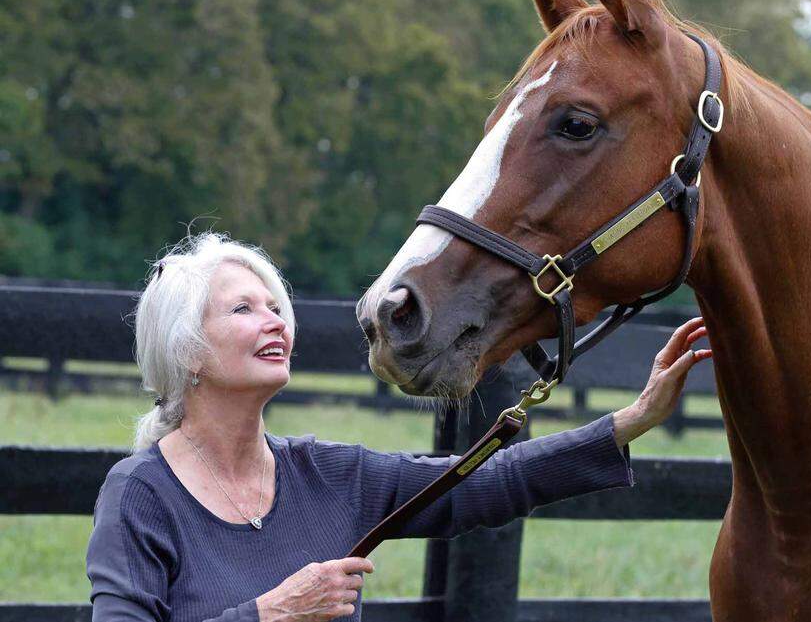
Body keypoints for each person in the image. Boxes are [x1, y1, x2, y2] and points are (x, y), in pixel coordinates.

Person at [84, 233, 712, 622]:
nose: (275, 322)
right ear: (187, 349)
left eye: (277, 307)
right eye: (244, 309)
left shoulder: (327, 475)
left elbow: (486, 482)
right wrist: (270, 614)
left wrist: (634, 420)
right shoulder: (141, 493)